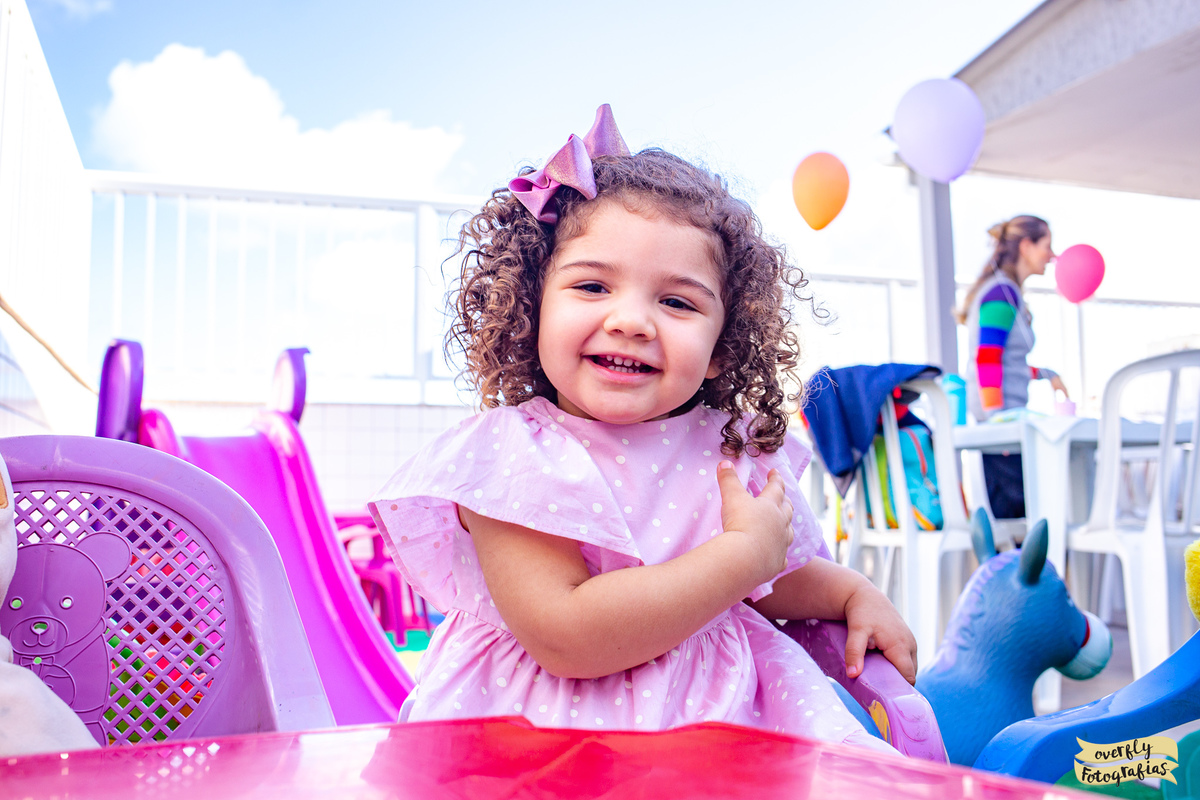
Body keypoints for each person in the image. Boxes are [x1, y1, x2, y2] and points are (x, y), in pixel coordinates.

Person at [369, 105, 914, 750]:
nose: (631, 320)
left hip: (715, 735)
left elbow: (765, 576)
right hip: (542, 739)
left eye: (677, 302)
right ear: (531, 308)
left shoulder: (729, 450)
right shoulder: (513, 459)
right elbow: (566, 634)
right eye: (593, 287)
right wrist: (741, 556)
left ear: (720, 347)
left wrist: (851, 591)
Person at [956, 214, 1069, 519]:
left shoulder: (1007, 292)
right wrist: (997, 422)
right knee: (1016, 518)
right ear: (1026, 246)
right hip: (1002, 428)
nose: (1052, 255)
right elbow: (987, 360)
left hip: (1006, 422)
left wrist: (1047, 375)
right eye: (1047, 245)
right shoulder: (1001, 293)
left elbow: (1009, 363)